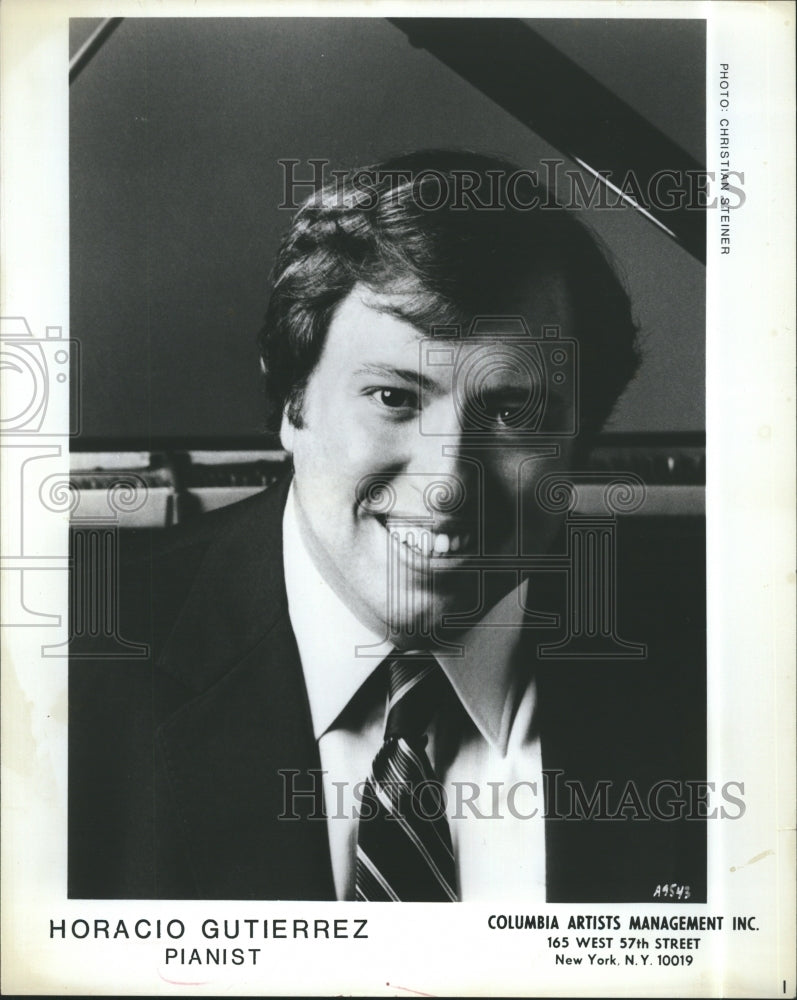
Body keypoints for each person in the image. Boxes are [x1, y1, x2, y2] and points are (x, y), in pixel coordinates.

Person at [69, 150, 706, 902]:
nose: (445, 486)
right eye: (393, 399)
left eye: (510, 413)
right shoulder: (66, 682)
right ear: (292, 405)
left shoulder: (728, 673)